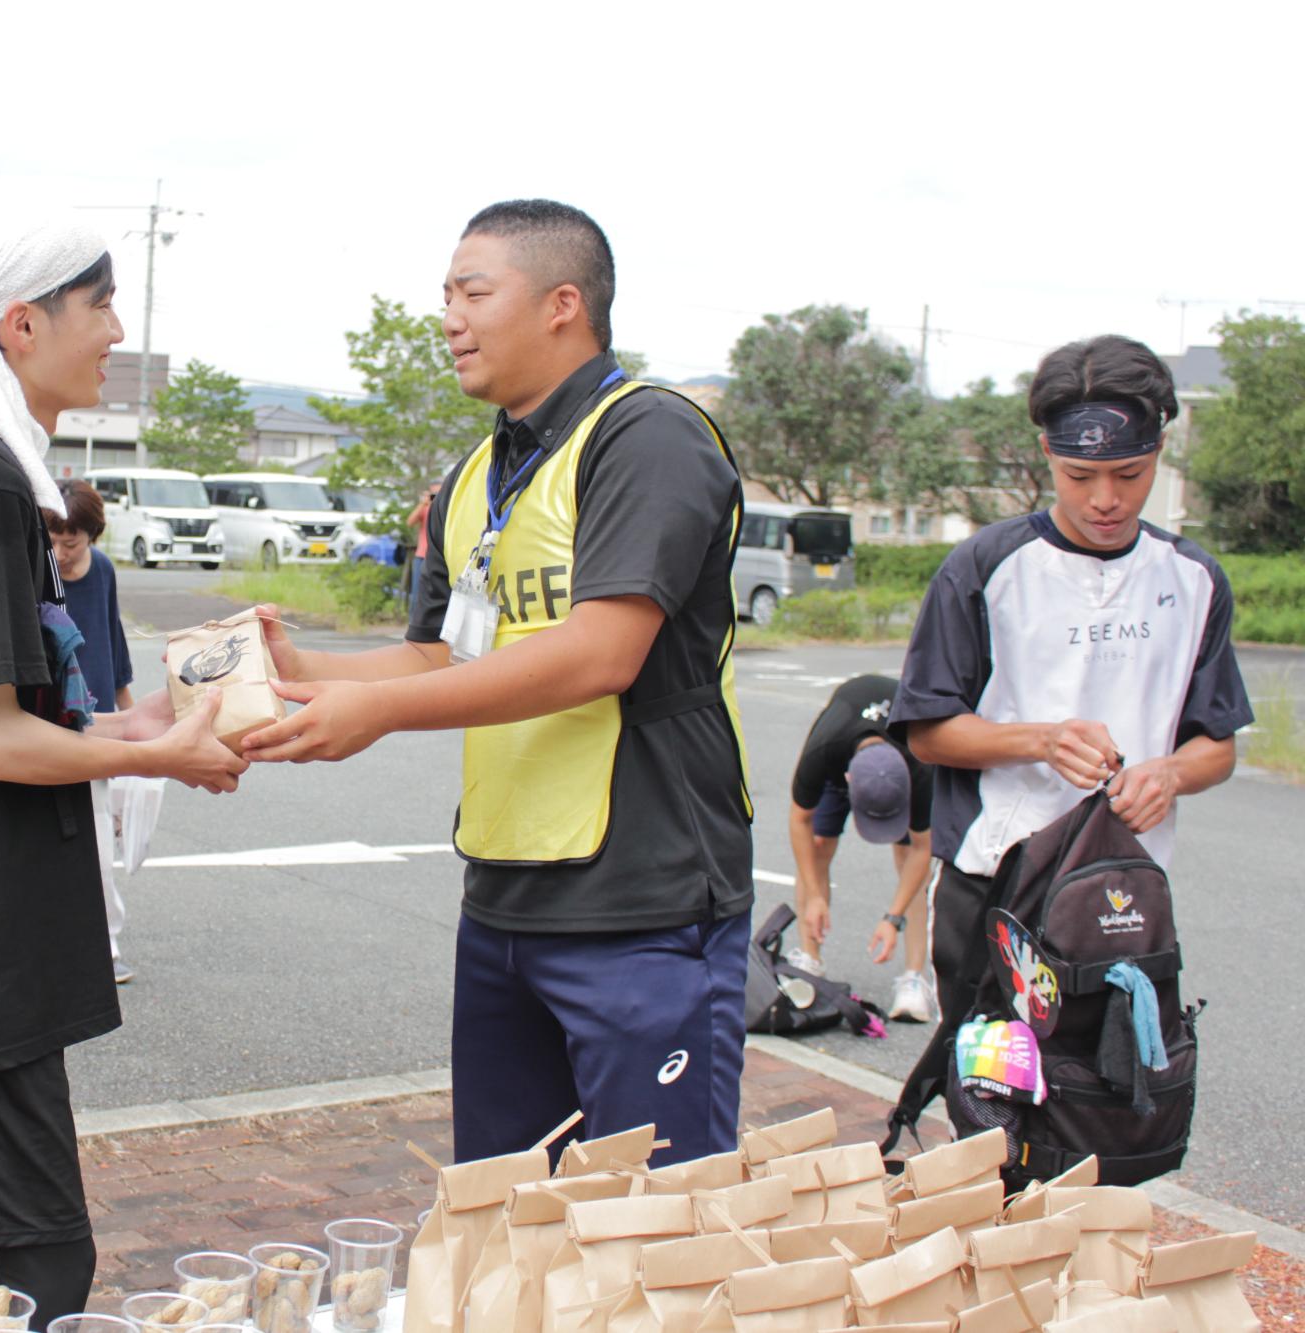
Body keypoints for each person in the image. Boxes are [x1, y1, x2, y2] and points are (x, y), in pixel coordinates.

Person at [243, 199, 753, 1167]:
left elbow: (602, 651)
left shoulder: (647, 435)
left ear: (563, 304)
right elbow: (442, 653)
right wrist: (306, 673)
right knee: (501, 1200)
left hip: (642, 902)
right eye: (445, 295)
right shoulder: (476, 471)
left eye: (473, 293)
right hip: (503, 897)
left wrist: (377, 711)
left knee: (652, 1216)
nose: (449, 319)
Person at [0, 215, 245, 1327]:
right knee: (39, 1268)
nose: (117, 331)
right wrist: (160, 753)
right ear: (20, 326)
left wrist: (144, 721)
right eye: (99, 304)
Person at [890, 333, 1252, 1036]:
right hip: (996, 882)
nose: (1106, 499)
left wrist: (1171, 773)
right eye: (1080, 475)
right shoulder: (985, 566)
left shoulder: (1194, 578)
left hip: (1127, 890)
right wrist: (1043, 740)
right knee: (995, 1091)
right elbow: (928, 733)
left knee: (1121, 1090)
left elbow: (1217, 745)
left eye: (1130, 473)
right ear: (1047, 452)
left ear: (1160, 451)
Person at [786, 673, 937, 1023]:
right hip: (844, 746)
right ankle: (809, 962)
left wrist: (892, 918)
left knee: (906, 856)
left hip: (899, 754)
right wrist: (815, 895)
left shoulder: (920, 760)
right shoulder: (824, 749)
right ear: (848, 780)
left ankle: (914, 978)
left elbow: (923, 848)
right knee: (819, 844)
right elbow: (800, 820)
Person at [42, 477, 138, 984]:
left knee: (99, 840)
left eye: (72, 543)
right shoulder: (34, 573)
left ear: (91, 537)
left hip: (100, 724)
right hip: (51, 722)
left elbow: (113, 641)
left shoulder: (101, 570)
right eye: (54, 541)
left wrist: (131, 712)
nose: (61, 553)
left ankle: (107, 945)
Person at [407, 480, 440, 595]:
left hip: (439, 558)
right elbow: (410, 522)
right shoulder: (425, 508)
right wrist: (422, 503)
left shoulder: (446, 509)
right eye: (433, 494)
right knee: (417, 594)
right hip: (422, 556)